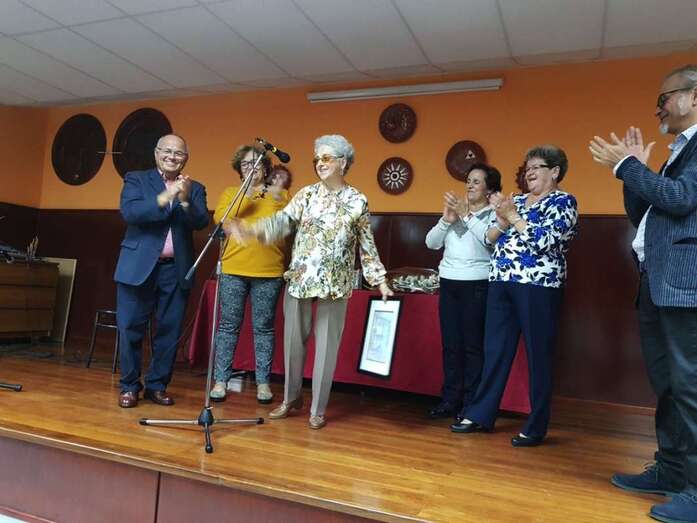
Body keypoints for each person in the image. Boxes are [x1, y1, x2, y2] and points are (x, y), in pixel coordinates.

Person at [589, 64, 697, 523]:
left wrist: (627, 166)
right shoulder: (680, 151)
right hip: (658, 282)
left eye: (664, 98)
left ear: (694, 96)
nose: (658, 108)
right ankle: (671, 471)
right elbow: (646, 212)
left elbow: (681, 199)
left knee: (690, 387)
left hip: (686, 285)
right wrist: (632, 173)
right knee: (668, 385)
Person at [231, 134, 392, 429]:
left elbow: (366, 244)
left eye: (327, 158)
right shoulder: (306, 195)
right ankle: (291, 399)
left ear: (343, 163)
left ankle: (318, 408)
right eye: (317, 158)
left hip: (335, 284)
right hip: (300, 279)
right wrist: (253, 230)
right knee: (293, 343)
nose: (320, 163)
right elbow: (282, 222)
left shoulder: (357, 200)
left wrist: (379, 279)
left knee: (327, 348)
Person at [452, 145, 578, 447]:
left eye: (536, 167)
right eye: (527, 167)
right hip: (501, 281)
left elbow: (545, 242)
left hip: (539, 286)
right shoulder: (517, 200)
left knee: (538, 355)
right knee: (494, 350)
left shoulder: (564, 202)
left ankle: (536, 426)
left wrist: (513, 216)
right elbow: (488, 239)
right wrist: (502, 220)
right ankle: (480, 414)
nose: (529, 172)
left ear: (555, 171)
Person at [114, 134, 209, 408]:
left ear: (185, 158)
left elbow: (201, 221)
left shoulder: (195, 187)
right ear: (156, 153)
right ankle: (129, 386)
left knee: (169, 330)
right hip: (137, 267)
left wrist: (185, 199)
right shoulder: (136, 179)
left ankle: (157, 386)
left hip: (175, 270)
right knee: (130, 327)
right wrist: (167, 195)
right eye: (166, 151)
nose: (172, 157)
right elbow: (131, 213)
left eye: (178, 153)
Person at [209, 145, 289, 403]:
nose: (251, 168)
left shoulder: (281, 195)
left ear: (266, 169)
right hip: (233, 269)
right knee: (227, 326)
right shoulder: (230, 194)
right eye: (245, 164)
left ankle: (263, 383)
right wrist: (247, 191)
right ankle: (221, 381)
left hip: (268, 271)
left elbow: (286, 227)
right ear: (239, 170)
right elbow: (223, 220)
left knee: (264, 329)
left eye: (256, 163)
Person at [425, 163, 501, 422]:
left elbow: (487, 241)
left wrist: (466, 215)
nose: (469, 185)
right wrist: (446, 221)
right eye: (468, 180)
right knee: (451, 345)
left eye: (476, 181)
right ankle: (450, 400)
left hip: (477, 284)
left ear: (489, 189)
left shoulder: (494, 214)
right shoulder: (456, 211)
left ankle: (471, 404)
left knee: (472, 347)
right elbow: (431, 243)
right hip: (448, 282)